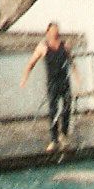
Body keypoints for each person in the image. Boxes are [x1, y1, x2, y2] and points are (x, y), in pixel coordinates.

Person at [20, 22, 78, 152]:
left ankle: (64, 134)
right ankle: (54, 139)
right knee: (53, 110)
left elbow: (71, 62)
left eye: (56, 32)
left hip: (64, 81)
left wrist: (77, 77)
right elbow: (31, 64)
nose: (54, 34)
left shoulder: (65, 46)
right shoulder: (42, 47)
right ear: (48, 33)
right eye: (52, 32)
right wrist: (24, 78)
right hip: (52, 83)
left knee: (67, 107)